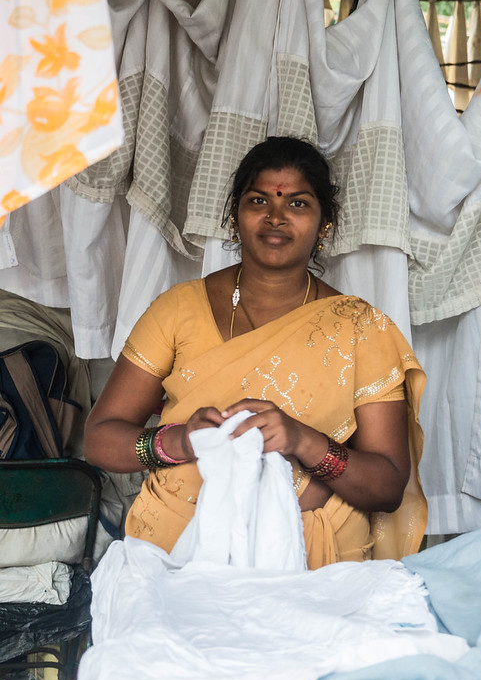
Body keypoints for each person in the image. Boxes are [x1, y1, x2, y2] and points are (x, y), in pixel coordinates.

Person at [84, 136, 427, 568]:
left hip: (315, 560)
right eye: (259, 200)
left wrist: (305, 442)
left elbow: (388, 486)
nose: (276, 217)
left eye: (298, 203)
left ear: (325, 224)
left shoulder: (362, 328)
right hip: (177, 547)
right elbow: (100, 439)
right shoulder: (177, 308)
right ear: (235, 214)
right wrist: (180, 441)